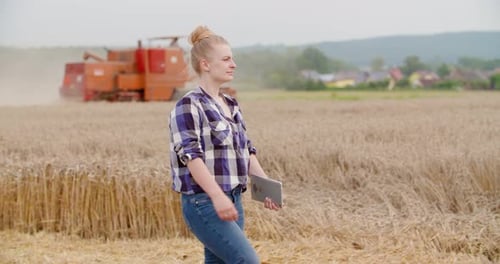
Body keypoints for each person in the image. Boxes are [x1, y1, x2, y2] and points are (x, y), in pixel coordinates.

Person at [169, 25, 281, 264]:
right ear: (205, 64)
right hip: (203, 202)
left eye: (233, 58)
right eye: (227, 59)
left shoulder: (230, 104)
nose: (234, 64)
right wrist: (217, 196)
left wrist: (265, 185)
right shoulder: (188, 106)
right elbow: (191, 157)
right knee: (247, 261)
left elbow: (246, 149)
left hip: (233, 198)